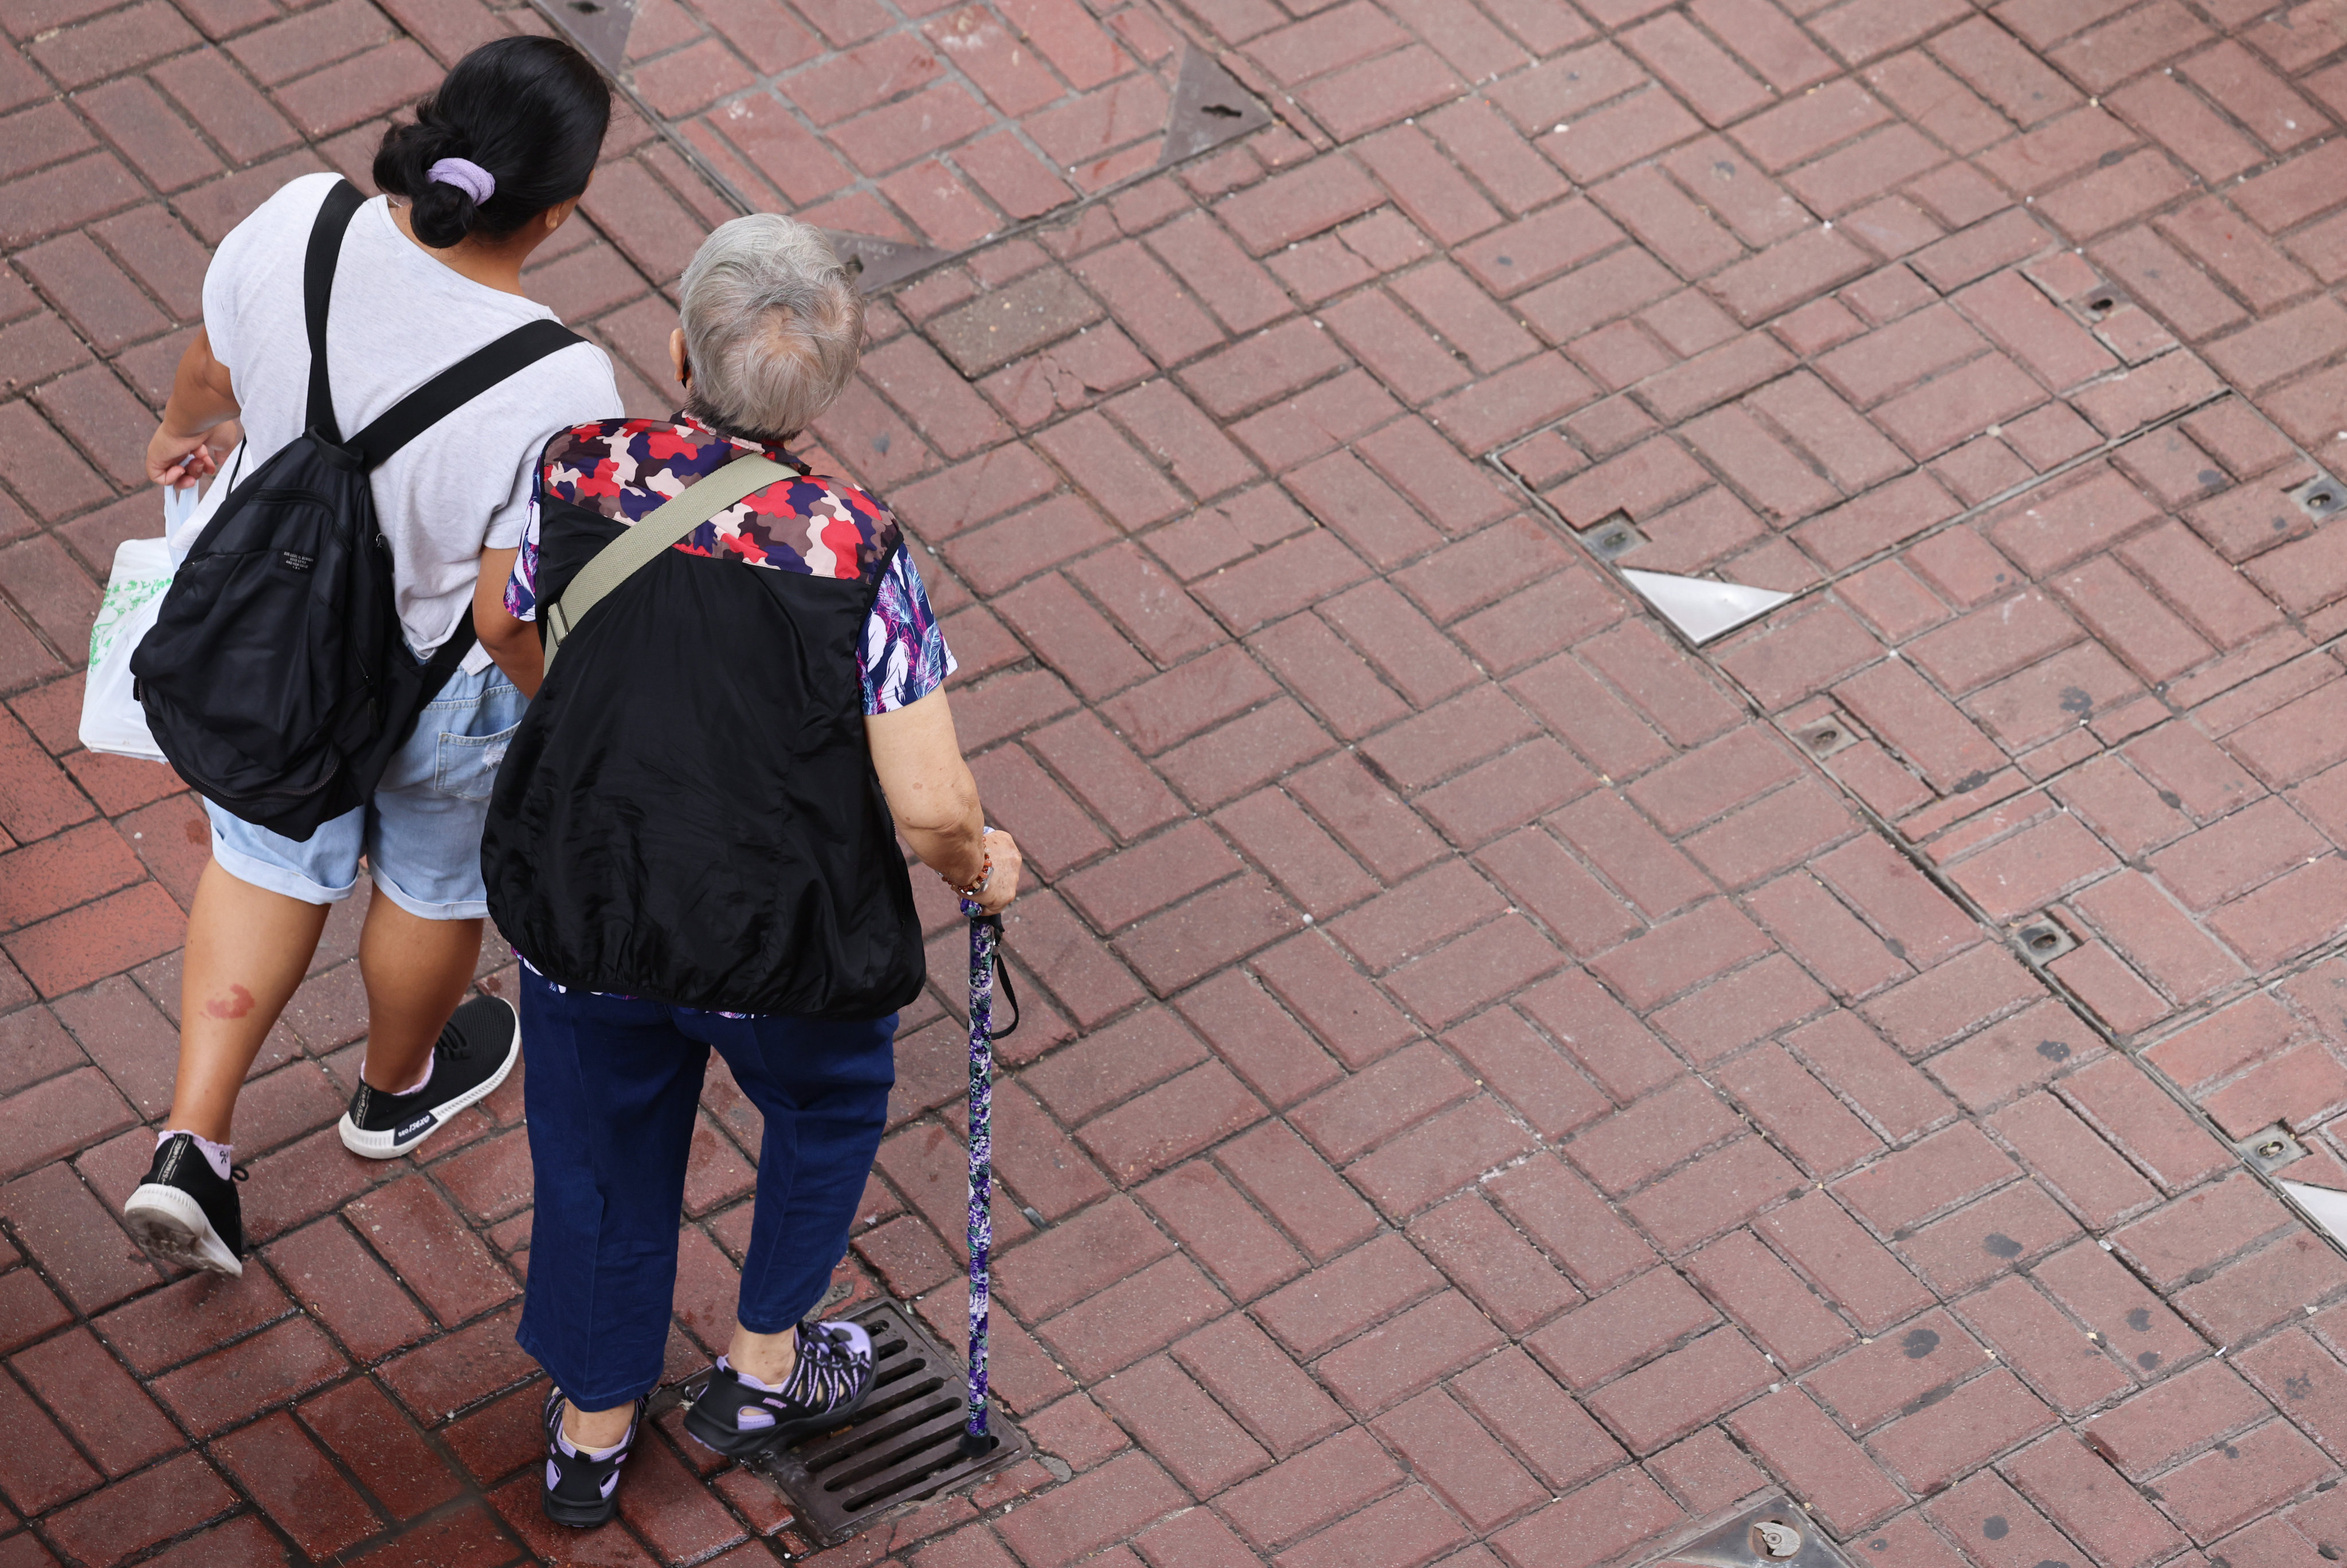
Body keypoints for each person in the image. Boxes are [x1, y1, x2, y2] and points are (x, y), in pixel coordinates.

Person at [474, 213, 1024, 1528]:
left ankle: (593, 1428)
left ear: (676, 349)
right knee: (826, 1110)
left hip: (588, 897)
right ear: (824, 390)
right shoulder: (853, 548)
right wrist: (979, 866)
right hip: (780, 937)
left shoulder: (578, 467)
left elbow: (505, 621)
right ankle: (764, 1365)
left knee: (599, 1153)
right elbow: (928, 798)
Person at [123, 37, 625, 1278]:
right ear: (558, 209)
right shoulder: (560, 378)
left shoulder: (301, 220)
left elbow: (207, 371)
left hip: (274, 642)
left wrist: (181, 434)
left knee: (263, 858)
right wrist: (577, 727)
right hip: (439, 683)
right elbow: (510, 617)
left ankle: (193, 1144)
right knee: (431, 889)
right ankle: (393, 1091)